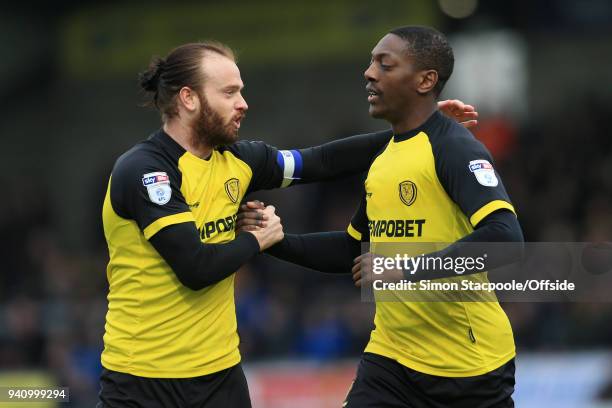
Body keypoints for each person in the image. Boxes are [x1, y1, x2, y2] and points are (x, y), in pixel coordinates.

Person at [98, 41, 478, 407]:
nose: (243, 104)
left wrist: (417, 131)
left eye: (241, 92)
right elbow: (196, 268)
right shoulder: (146, 171)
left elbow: (323, 161)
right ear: (189, 99)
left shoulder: (239, 161)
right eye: (229, 93)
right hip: (143, 380)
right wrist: (258, 239)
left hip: (220, 376)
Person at [239, 26, 524, 407]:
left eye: (384, 65)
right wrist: (272, 242)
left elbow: (506, 239)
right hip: (392, 358)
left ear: (425, 80)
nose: (369, 73)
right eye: (372, 62)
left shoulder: (455, 149)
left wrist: (403, 268)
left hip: (467, 367)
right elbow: (351, 249)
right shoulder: (383, 160)